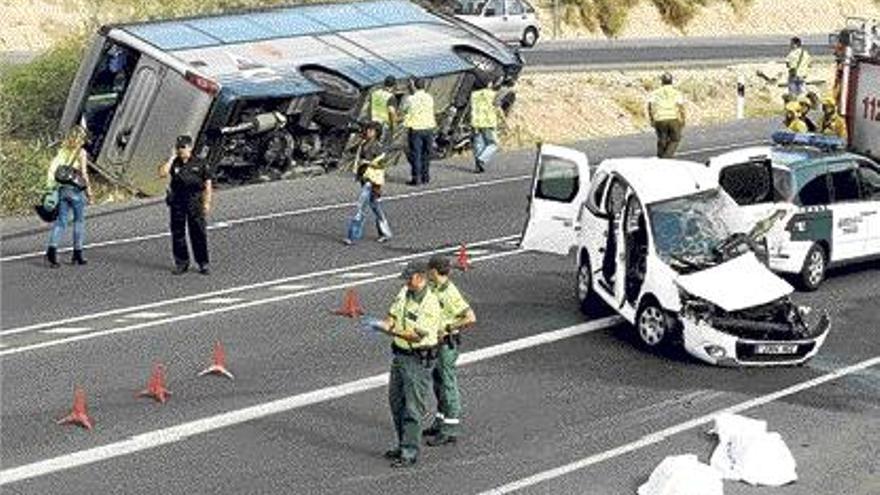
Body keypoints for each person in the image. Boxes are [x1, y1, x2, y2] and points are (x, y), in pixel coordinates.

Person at [373, 261, 443, 468]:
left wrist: (387, 330)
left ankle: (409, 451)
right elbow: (393, 313)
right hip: (400, 355)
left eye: (409, 278)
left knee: (413, 407)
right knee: (396, 402)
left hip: (417, 359)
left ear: (421, 277)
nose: (406, 282)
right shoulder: (405, 292)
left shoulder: (430, 303)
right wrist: (387, 322)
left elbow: (415, 335)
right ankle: (402, 443)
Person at [423, 255, 476, 446]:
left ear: (435, 271)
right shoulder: (435, 287)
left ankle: (449, 429)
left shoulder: (450, 292)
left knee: (447, 384)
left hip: (446, 343)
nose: (427, 272)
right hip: (435, 343)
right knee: (438, 383)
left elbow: (470, 317)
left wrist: (448, 327)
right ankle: (440, 421)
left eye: (429, 269)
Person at [158, 135, 213, 275]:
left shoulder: (200, 163)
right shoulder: (174, 163)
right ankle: (182, 263)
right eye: (178, 147)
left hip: (195, 201)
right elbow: (162, 173)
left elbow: (207, 184)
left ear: (190, 147)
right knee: (178, 233)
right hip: (178, 201)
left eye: (183, 147)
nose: (180, 150)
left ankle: (203, 263)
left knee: (198, 232)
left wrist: (207, 203)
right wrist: (171, 158)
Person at [45, 125, 93, 268]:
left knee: (61, 222)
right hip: (76, 191)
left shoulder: (63, 150)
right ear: (82, 139)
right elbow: (84, 174)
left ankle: (51, 252)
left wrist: (50, 187)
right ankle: (77, 254)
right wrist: (89, 192)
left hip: (62, 190)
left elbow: (54, 169)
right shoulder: (81, 152)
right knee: (79, 222)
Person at [344, 122, 393, 245]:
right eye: (367, 130)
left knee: (361, 207)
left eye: (371, 131)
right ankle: (385, 232)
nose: (368, 132)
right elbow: (352, 152)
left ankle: (352, 236)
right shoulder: (363, 144)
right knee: (374, 206)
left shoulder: (377, 146)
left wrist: (367, 163)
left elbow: (382, 164)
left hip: (371, 180)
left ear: (377, 133)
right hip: (364, 178)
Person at [402, 78, 436, 186]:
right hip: (429, 127)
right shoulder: (429, 98)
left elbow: (404, 109)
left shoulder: (410, 99)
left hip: (416, 128)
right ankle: (425, 177)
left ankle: (416, 178)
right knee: (426, 153)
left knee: (416, 154)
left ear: (414, 86)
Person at [647, 72, 686, 158]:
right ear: (671, 81)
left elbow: (649, 106)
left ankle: (660, 156)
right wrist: (683, 119)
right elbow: (681, 107)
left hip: (659, 119)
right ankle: (666, 157)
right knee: (675, 139)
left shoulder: (655, 93)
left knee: (662, 139)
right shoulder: (676, 93)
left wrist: (652, 119)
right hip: (673, 118)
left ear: (662, 82)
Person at [470, 78, 500, 173]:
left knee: (479, 144)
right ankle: (481, 159)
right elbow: (497, 107)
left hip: (476, 122)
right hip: (489, 122)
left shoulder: (474, 95)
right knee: (493, 144)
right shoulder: (492, 94)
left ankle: (478, 166)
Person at [370, 76, 398, 143]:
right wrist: (393, 126)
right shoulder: (391, 97)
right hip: (382, 125)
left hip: (372, 121)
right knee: (380, 145)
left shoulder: (375, 93)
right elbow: (391, 112)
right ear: (394, 85)